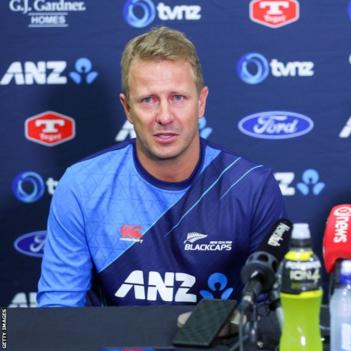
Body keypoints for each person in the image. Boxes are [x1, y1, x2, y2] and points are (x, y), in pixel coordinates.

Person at [38, 26, 286, 307]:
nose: (165, 116)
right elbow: (58, 313)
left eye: (178, 97)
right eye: (148, 100)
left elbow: (267, 315)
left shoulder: (252, 187)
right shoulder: (82, 186)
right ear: (127, 108)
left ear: (201, 102)